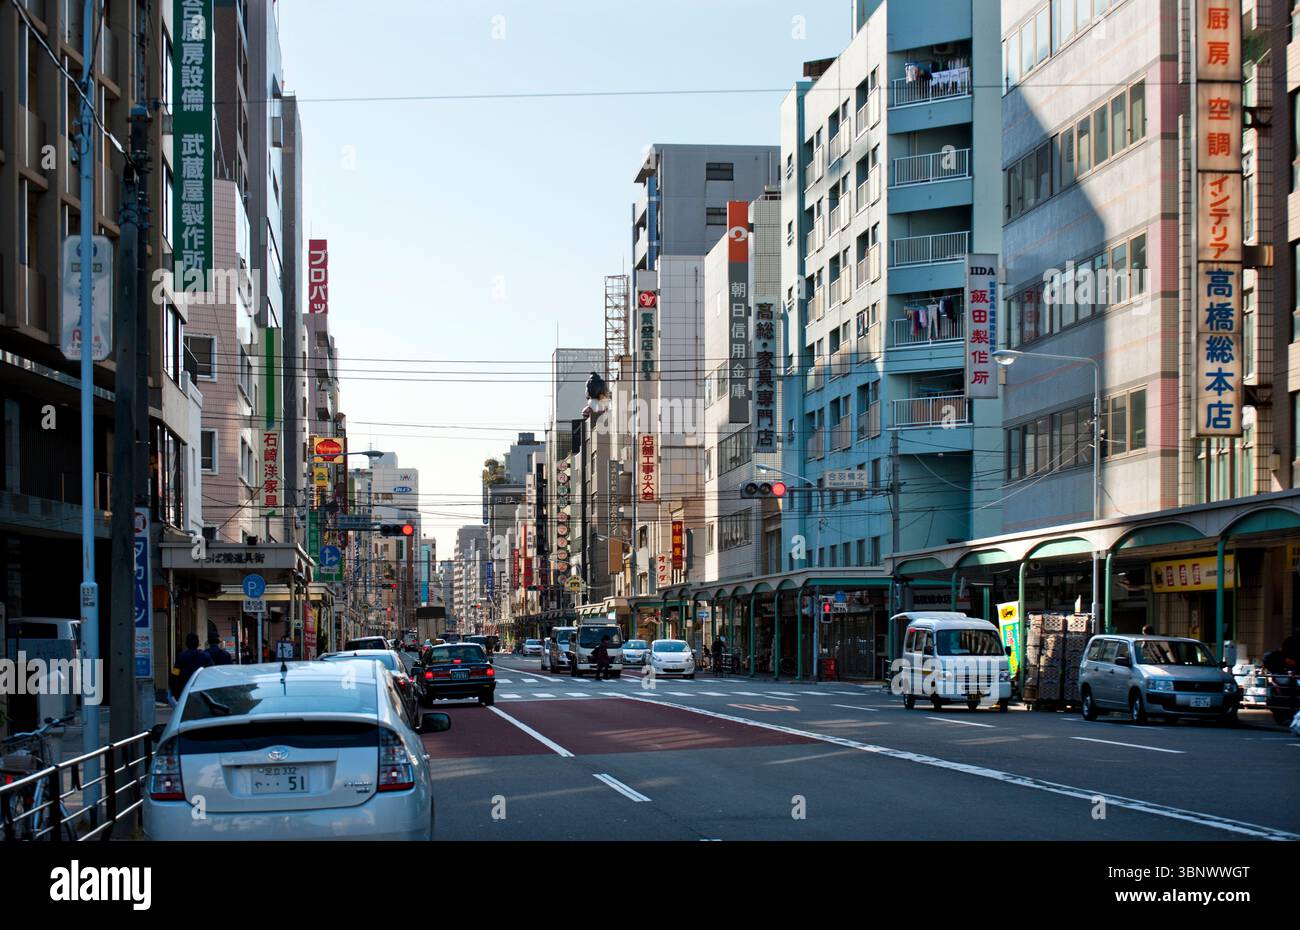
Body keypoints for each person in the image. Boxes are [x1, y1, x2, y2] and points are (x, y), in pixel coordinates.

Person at [170, 632, 213, 701]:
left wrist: (174, 691)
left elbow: (175, 674)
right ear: (198, 643)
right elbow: (211, 672)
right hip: (201, 689)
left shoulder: (181, 657)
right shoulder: (206, 656)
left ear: (186, 643)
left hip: (184, 690)